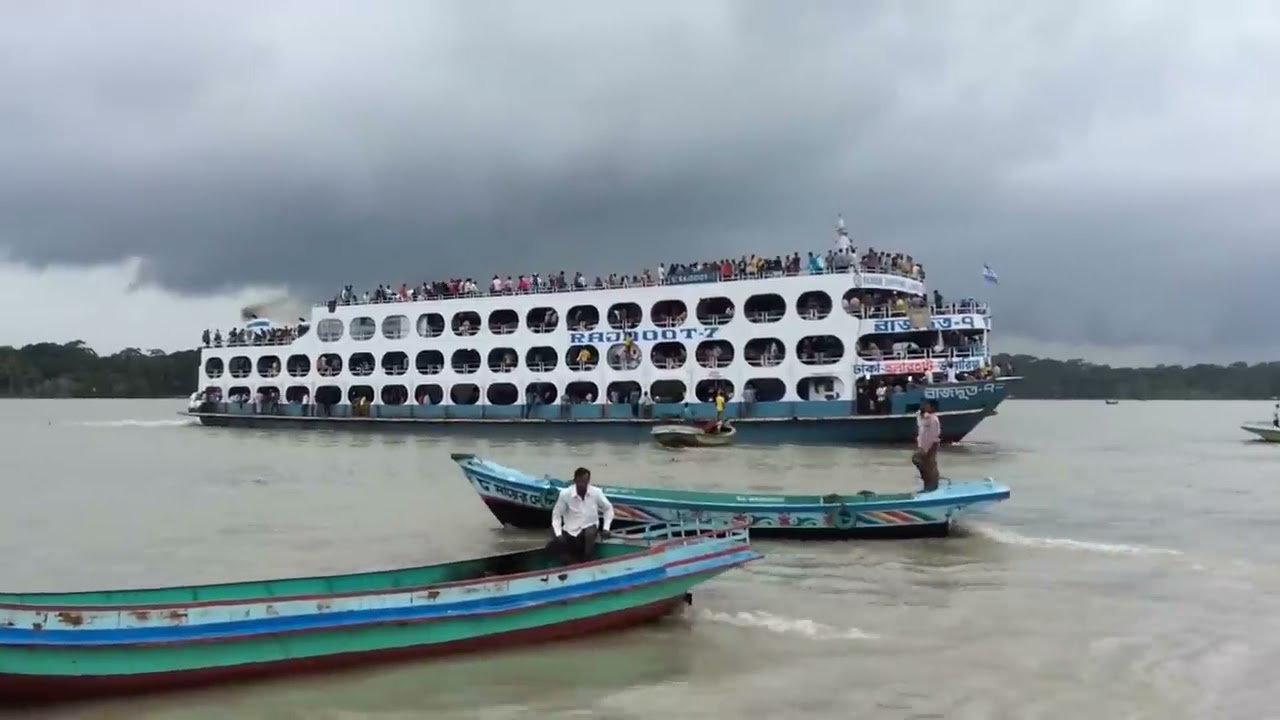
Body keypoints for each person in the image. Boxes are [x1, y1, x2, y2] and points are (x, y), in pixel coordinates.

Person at [546, 467, 615, 564]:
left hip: (589, 531)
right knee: (552, 545)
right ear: (575, 481)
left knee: (590, 531)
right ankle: (570, 564)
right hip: (570, 530)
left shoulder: (596, 493)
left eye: (585, 481)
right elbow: (556, 515)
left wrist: (606, 528)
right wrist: (558, 534)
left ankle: (587, 559)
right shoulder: (565, 494)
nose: (583, 484)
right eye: (580, 481)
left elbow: (608, 508)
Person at [912, 400, 941, 492]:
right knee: (922, 463)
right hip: (923, 446)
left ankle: (932, 487)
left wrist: (929, 449)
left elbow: (934, 435)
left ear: (932, 407)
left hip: (931, 446)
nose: (925, 407)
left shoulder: (934, 419)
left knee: (930, 466)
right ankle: (927, 485)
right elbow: (920, 425)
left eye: (927, 406)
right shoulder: (925, 417)